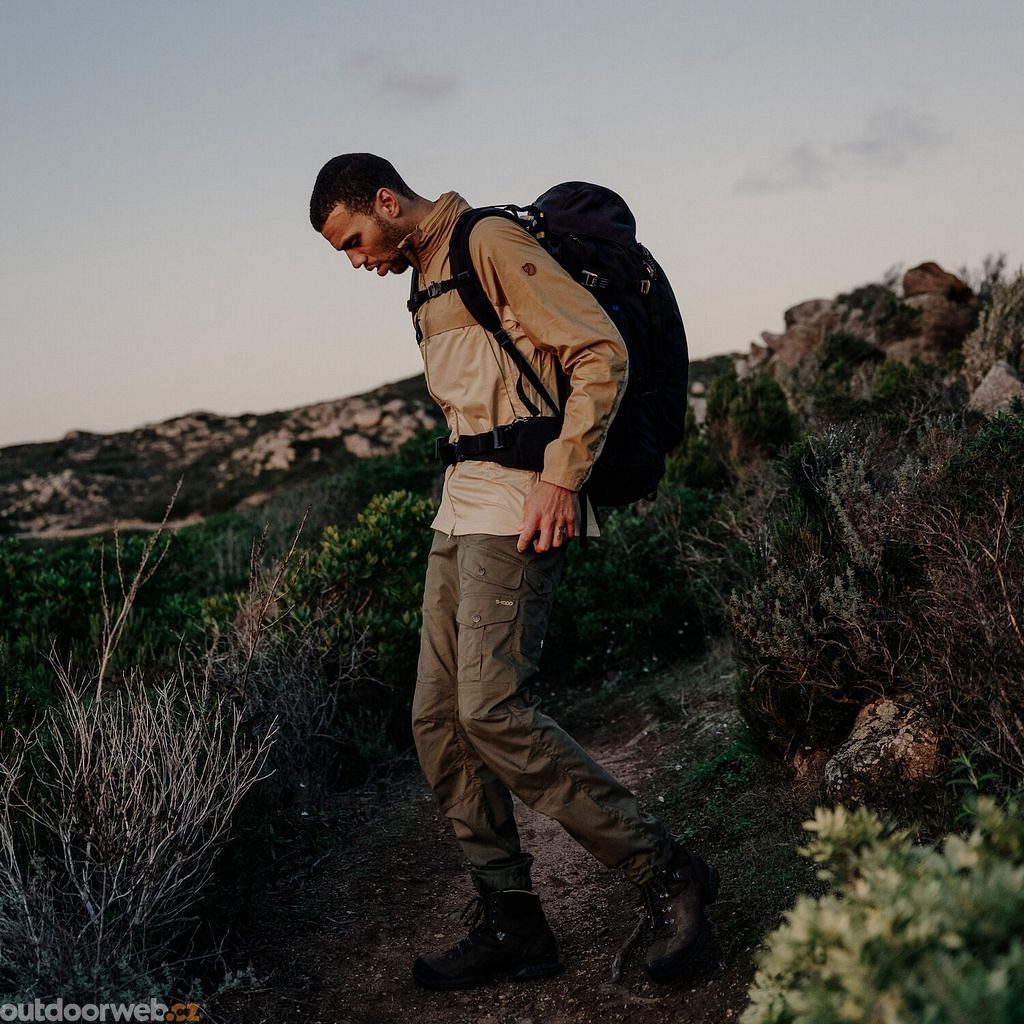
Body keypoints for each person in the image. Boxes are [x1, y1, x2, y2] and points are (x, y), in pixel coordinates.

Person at [309, 153, 719, 989]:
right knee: (437, 721)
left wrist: (561, 479)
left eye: (353, 240)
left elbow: (600, 352)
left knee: (493, 710)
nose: (355, 261)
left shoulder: (487, 241)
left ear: (385, 201)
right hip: (460, 504)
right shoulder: (424, 274)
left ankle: (668, 873)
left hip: (521, 502)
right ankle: (513, 922)